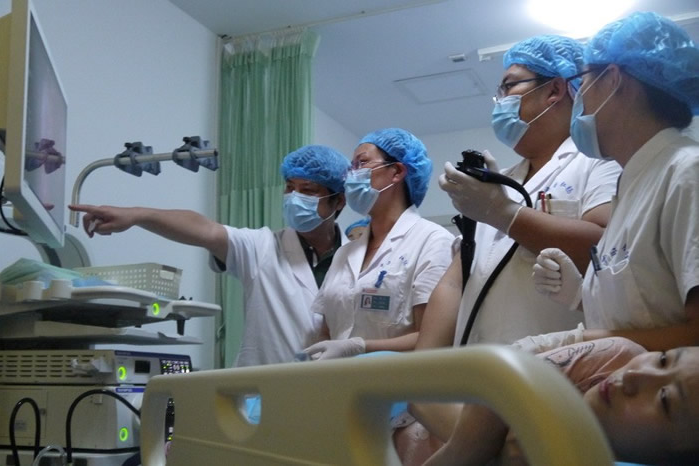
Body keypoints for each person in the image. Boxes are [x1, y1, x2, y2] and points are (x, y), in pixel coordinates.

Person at [416, 34, 622, 351]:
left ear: (554, 90)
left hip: (552, 369)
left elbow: (606, 250)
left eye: (509, 86)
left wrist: (504, 213)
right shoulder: (501, 181)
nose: (500, 101)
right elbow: (455, 282)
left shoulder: (599, 162)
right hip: (474, 368)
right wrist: (423, 369)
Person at [69, 144, 350, 367]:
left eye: (308, 191)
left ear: (338, 201)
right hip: (265, 398)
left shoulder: (360, 259)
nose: (294, 197)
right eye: (289, 187)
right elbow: (205, 229)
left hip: (335, 394)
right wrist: (137, 215)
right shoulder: (261, 246)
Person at [527, 11, 699, 353]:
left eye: (583, 81)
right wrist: (582, 296)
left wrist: (579, 344)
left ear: (614, 80)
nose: (579, 99)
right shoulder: (633, 185)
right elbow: (650, 309)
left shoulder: (686, 173)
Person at [422, 338, 699, 466]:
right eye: (663, 359)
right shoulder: (615, 356)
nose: (633, 376)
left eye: (665, 399)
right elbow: (498, 384)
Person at [303, 128, 455, 359]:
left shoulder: (433, 241)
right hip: (336, 378)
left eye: (362, 163)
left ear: (397, 171)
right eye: (351, 167)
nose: (351, 175)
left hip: (397, 379)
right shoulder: (345, 253)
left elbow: (433, 337)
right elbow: (326, 331)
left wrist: (359, 347)